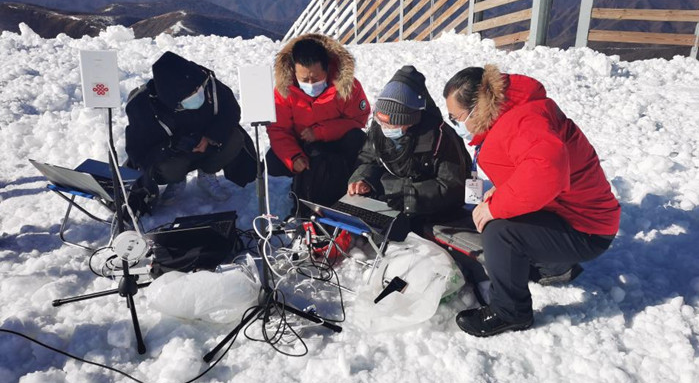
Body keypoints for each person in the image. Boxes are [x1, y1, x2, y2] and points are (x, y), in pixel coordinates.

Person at [442, 65, 621, 337]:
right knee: (495, 215)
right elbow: (527, 168)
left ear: (478, 107)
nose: (457, 124)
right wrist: (500, 192)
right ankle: (550, 266)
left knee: (500, 232)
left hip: (586, 229)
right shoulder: (512, 114)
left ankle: (510, 312)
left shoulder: (523, 120)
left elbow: (547, 170)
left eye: (457, 117)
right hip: (569, 213)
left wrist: (496, 206)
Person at [125, 51, 256, 208]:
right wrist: (171, 146)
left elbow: (231, 112)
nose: (197, 94)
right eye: (190, 95)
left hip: (209, 145)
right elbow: (138, 151)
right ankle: (177, 180)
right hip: (174, 156)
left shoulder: (208, 84)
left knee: (235, 137)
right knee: (170, 168)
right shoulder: (143, 107)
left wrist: (210, 137)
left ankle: (207, 173)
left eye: (197, 90)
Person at [347, 65, 471, 232]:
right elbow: (369, 158)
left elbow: (453, 185)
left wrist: (409, 196)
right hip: (392, 199)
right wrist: (363, 179)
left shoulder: (441, 138)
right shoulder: (379, 129)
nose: (385, 128)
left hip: (429, 208)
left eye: (392, 124)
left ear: (411, 120)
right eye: (381, 122)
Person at [266, 33, 370, 209]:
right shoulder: (284, 90)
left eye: (315, 78)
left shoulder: (347, 86)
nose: (310, 83)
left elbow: (358, 120)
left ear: (327, 68)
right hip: (303, 143)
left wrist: (322, 132)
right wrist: (294, 156)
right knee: (275, 161)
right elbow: (278, 130)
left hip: (338, 140)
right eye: (304, 79)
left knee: (359, 140)